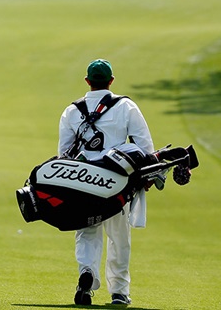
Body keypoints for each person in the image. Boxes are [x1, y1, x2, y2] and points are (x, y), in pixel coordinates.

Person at [58, 59, 154, 307]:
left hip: (83, 181)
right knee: (118, 237)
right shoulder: (126, 106)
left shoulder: (71, 111)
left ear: (87, 81)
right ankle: (119, 291)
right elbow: (145, 146)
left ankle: (86, 276)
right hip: (117, 182)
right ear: (111, 81)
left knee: (87, 232)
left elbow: (63, 156)